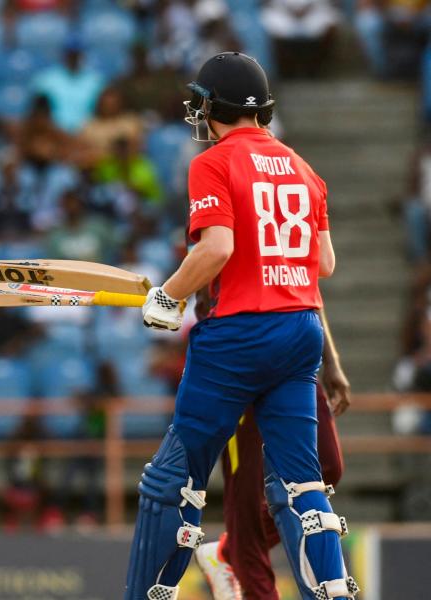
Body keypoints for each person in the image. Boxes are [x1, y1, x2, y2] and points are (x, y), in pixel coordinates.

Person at [126, 52, 357, 600]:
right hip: (300, 331)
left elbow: (219, 248)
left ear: (210, 106)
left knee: (173, 481)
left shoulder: (213, 161)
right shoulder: (302, 166)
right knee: (304, 483)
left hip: (238, 337)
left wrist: (167, 295)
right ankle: (334, 593)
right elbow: (322, 263)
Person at [194, 297, 351, 599]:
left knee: (326, 468)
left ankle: (229, 551)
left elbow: (310, 284)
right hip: (238, 356)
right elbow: (204, 287)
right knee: (248, 498)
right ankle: (241, 556)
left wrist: (331, 362)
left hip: (293, 351)